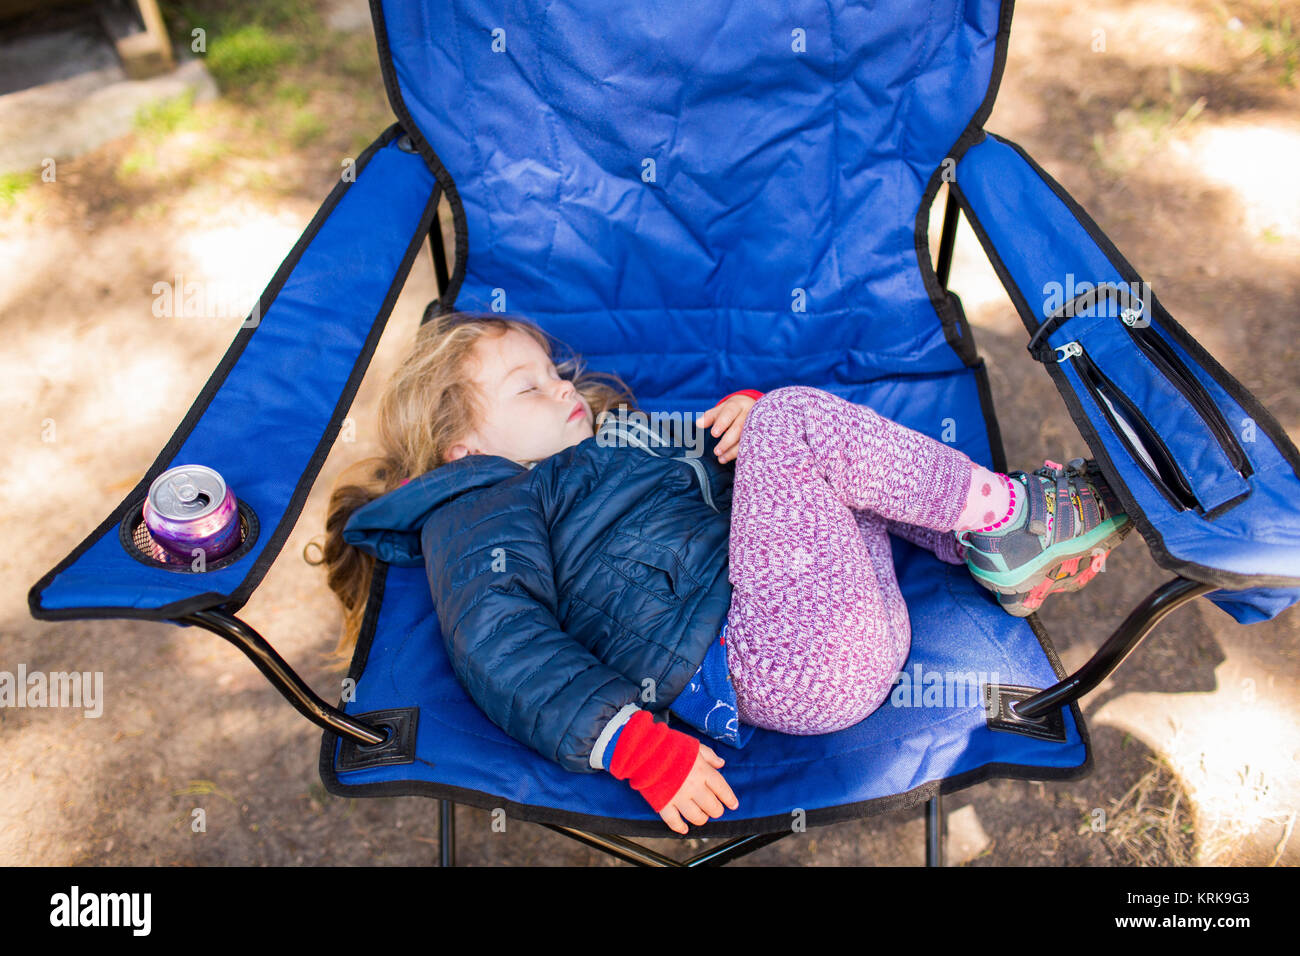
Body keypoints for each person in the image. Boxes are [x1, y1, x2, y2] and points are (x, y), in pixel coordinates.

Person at [309, 311, 1132, 835]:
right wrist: (625, 743)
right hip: (776, 659)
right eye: (529, 387)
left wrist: (738, 431)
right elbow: (501, 639)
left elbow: (750, 490)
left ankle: (988, 548)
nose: (564, 388)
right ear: (467, 449)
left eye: (556, 371)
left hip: (822, 614)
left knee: (803, 432)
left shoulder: (612, 446)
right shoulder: (479, 505)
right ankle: (1007, 517)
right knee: (796, 418)